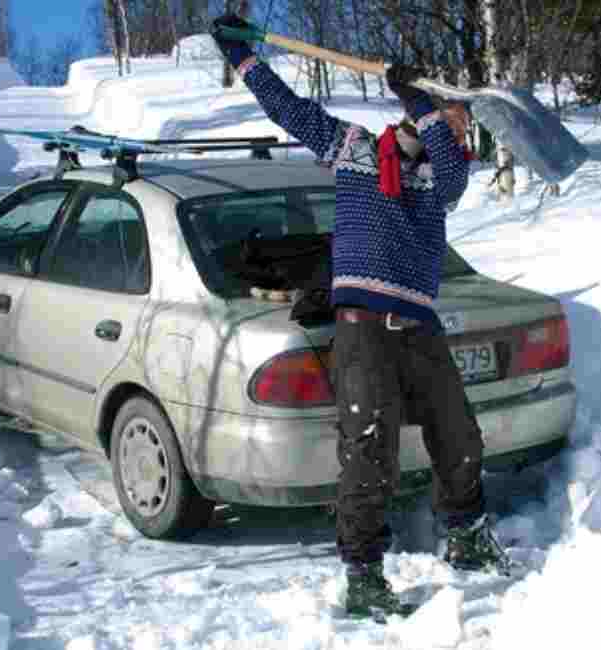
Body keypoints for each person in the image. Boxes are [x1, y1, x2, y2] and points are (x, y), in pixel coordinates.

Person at [211, 15, 508, 618]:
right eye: (452, 124)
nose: (457, 137)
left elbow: (450, 170)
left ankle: (468, 536)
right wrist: (242, 58)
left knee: (459, 436)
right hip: (363, 328)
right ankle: (364, 573)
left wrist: (421, 101)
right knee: (369, 450)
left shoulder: (439, 180)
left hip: (420, 328)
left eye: (458, 128)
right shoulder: (351, 151)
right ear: (411, 120)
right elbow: (289, 110)